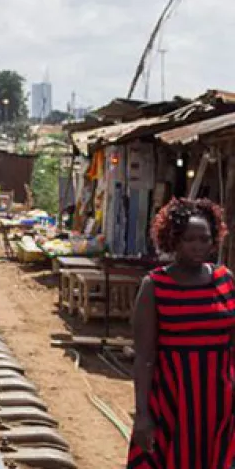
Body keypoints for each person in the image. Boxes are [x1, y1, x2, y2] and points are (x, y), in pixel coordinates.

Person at [127, 198, 235, 469]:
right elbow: (144, 357)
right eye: (189, 239)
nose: (198, 246)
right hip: (172, 402)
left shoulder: (225, 280)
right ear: (173, 240)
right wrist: (142, 415)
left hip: (220, 405)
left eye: (205, 238)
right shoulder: (155, 286)